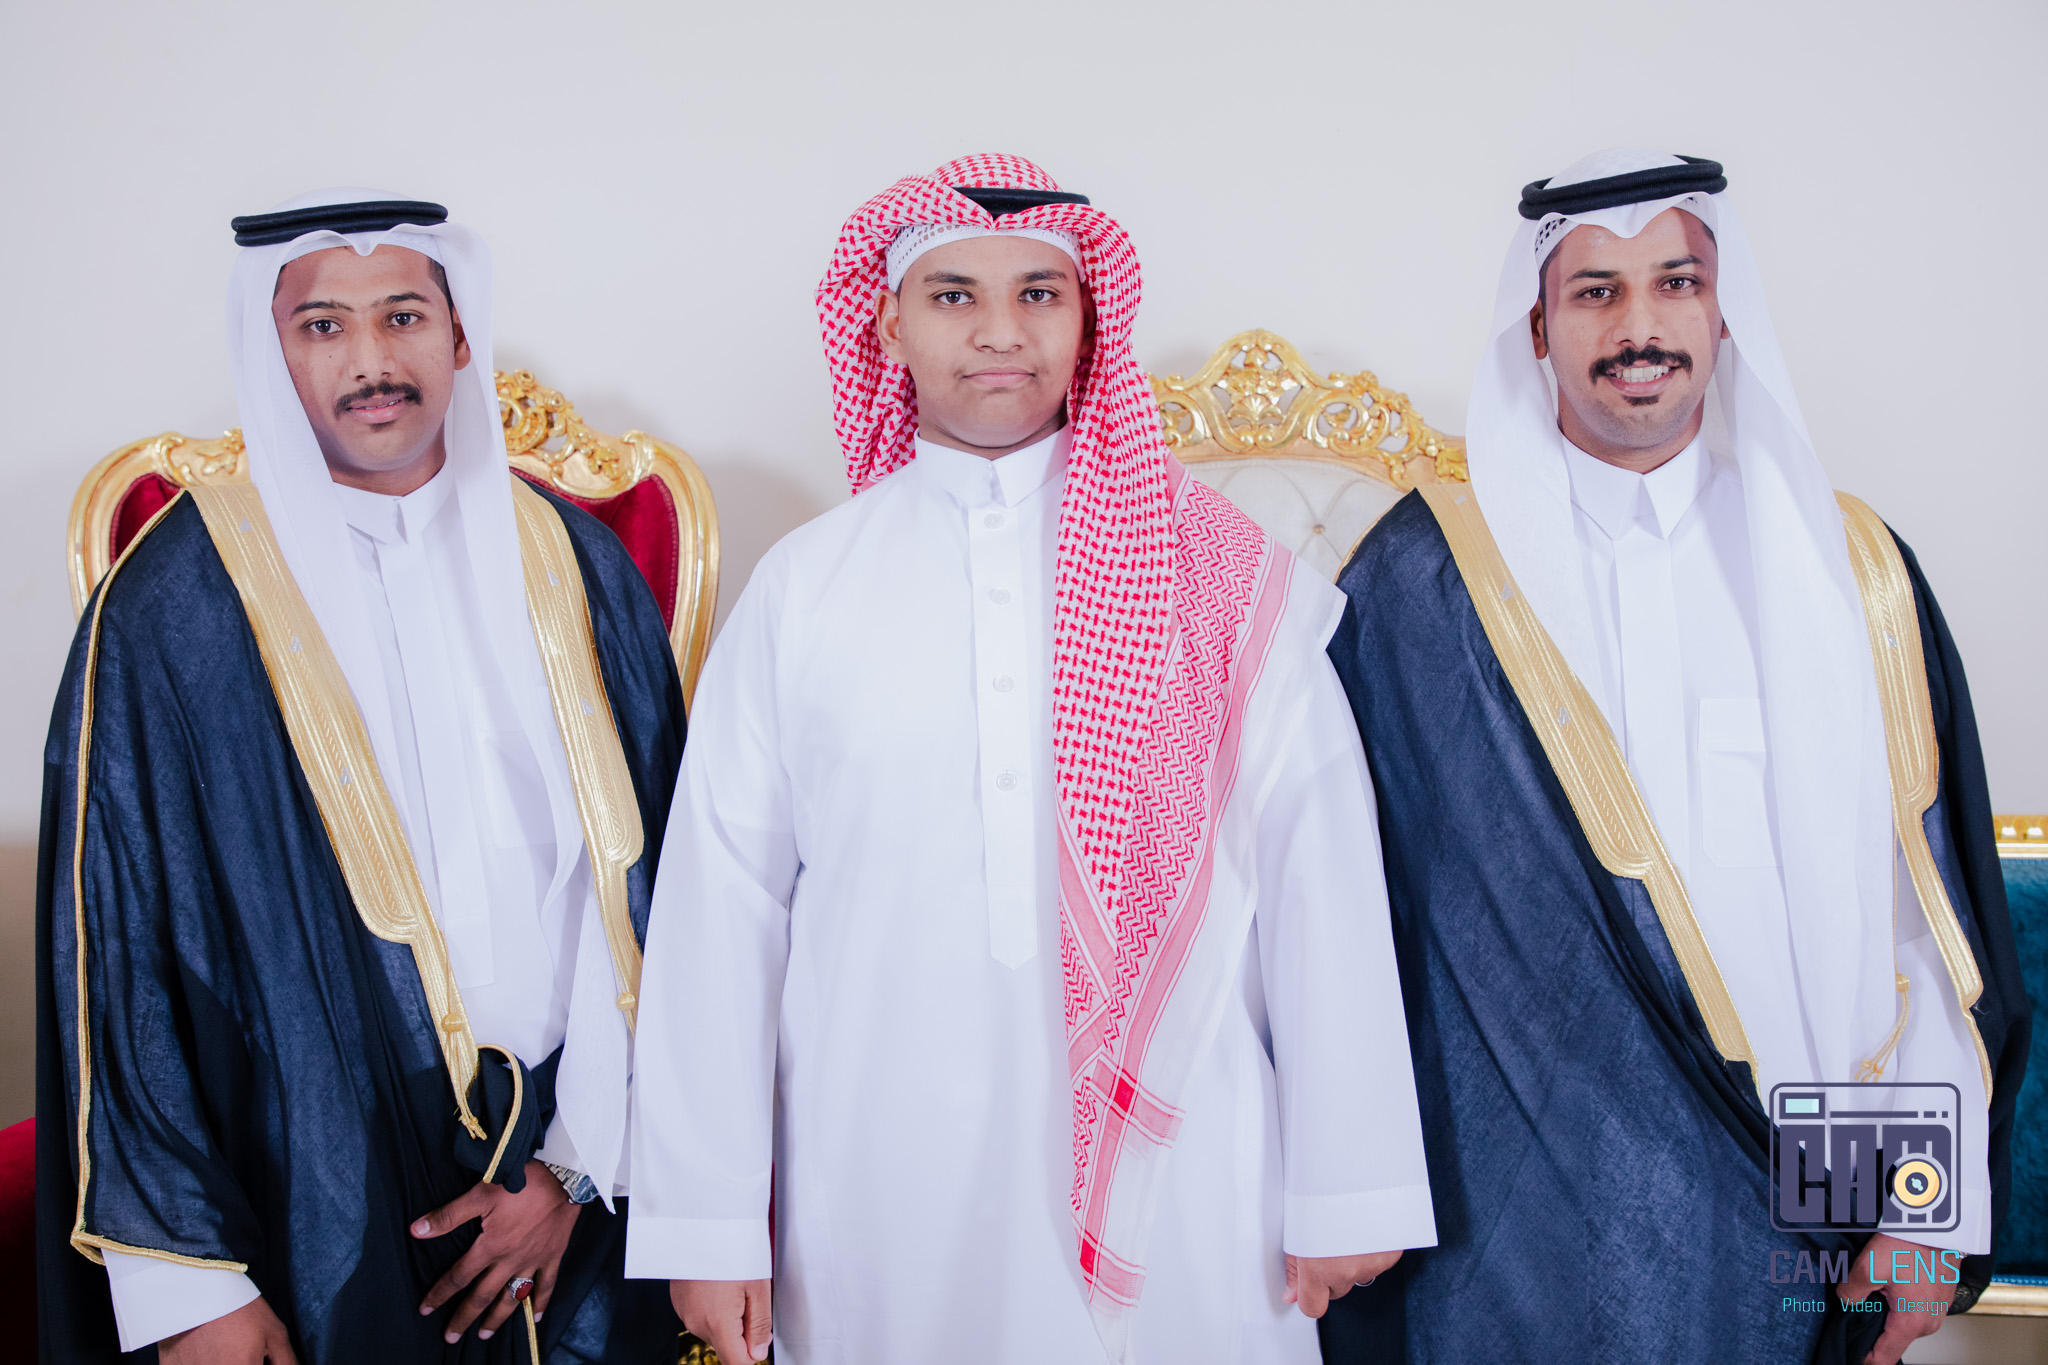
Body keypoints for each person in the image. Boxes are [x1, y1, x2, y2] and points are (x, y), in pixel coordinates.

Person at [624, 154, 1436, 1365]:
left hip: (1186, 1163)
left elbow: (1319, 871)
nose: (999, 332)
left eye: (1038, 295)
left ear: (1087, 319)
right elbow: (720, 913)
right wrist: (707, 1222)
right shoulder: (805, 588)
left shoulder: (1213, 574)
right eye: (953, 295)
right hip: (878, 1163)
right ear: (886, 326)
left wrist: (1348, 1180)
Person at [1320, 150, 2030, 1365]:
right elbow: (1335, 917)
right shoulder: (1425, 582)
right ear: (1535, 327)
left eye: (1674, 283)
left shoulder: (1844, 573)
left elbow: (1915, 922)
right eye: (1594, 292)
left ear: (1720, 311)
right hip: (1512, 1215)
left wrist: (1916, 1215)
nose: (1637, 328)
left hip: (1790, 1196)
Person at [35, 191, 687, 1364]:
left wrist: (579, 1168)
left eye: (403, 316)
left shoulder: (575, 567)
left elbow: (663, 892)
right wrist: (188, 1286)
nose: (372, 361)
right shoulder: (174, 607)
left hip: (579, 1182)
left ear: (459, 336)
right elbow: (118, 954)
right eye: (323, 326)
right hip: (304, 1185)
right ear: (269, 350)